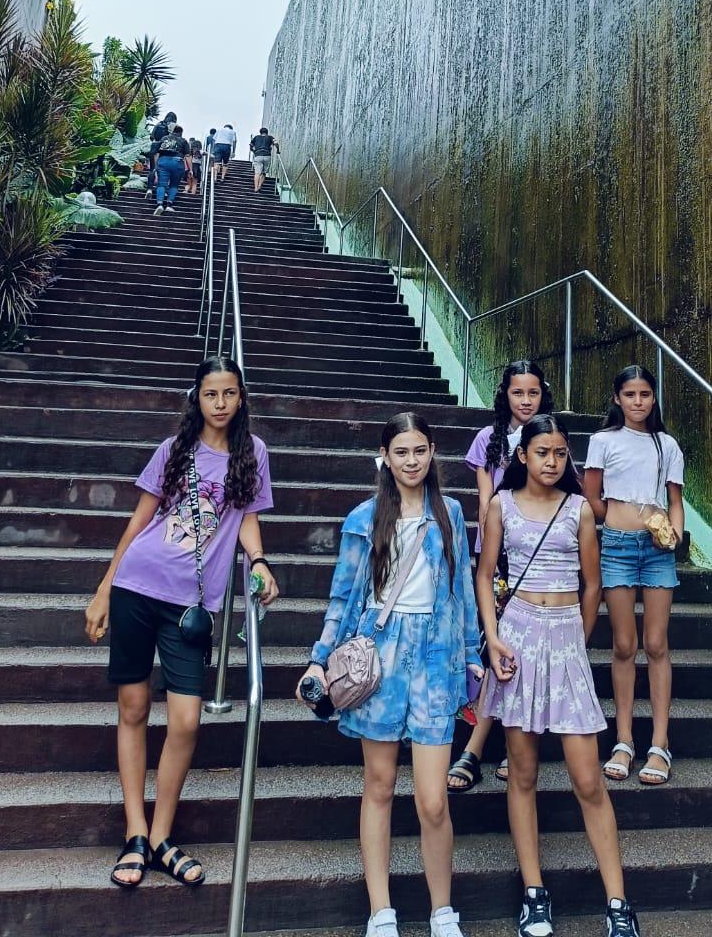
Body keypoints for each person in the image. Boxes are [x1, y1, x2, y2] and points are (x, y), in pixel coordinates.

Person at [84, 356, 278, 890]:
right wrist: (104, 588)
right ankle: (136, 833)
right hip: (136, 586)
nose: (221, 403)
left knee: (187, 719)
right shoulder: (174, 451)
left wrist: (258, 562)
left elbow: (248, 521)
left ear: (241, 399)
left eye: (230, 393)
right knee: (134, 707)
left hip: (191, 604)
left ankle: (164, 835)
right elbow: (140, 520)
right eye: (211, 393)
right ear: (197, 397)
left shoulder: (252, 454)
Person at [298, 411, 482, 937]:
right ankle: (381, 909)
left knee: (432, 798)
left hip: (435, 657)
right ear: (386, 456)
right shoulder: (363, 518)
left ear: (432, 452)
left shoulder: (449, 512)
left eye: (419, 450)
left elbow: (463, 592)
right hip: (378, 657)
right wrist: (319, 655)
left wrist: (472, 654)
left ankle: (442, 910)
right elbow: (343, 595)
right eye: (401, 452)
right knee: (378, 785)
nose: (411, 461)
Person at [478, 414, 641, 937]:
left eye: (560, 453)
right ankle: (533, 893)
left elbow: (592, 585)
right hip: (519, 639)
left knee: (588, 778)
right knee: (521, 773)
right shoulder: (500, 506)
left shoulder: (579, 511)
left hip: (565, 639)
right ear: (522, 455)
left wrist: (577, 635)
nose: (552, 461)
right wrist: (495, 635)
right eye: (542, 452)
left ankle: (618, 903)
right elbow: (485, 576)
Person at [449, 360, 551, 793]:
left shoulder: (549, 436)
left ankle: (501, 748)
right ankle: (477, 747)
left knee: (525, 651)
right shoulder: (487, 440)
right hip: (499, 556)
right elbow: (486, 499)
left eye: (532, 393)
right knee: (500, 646)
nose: (526, 401)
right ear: (504, 394)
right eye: (517, 393)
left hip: (539, 560)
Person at [583, 365, 684, 786]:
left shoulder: (667, 444)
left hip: (658, 550)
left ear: (654, 397)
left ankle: (660, 743)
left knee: (656, 643)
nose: (638, 401)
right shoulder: (603, 441)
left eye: (645, 394)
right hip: (618, 547)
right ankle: (623, 739)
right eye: (630, 394)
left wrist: (674, 533)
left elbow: (676, 499)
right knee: (623, 644)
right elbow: (592, 494)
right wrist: (619, 521)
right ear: (617, 398)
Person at [153, 124, 190, 216]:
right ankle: (169, 204)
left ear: (172, 131)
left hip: (163, 161)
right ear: (181, 133)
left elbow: (156, 153)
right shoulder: (184, 141)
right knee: (174, 185)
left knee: (161, 184)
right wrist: (190, 169)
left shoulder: (164, 138)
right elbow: (188, 156)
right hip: (177, 162)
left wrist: (155, 166)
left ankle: (160, 204)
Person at [144, 110, 177, 205]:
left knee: (153, 169)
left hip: (155, 149)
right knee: (165, 172)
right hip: (165, 152)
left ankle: (149, 189)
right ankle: (165, 191)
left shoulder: (158, 124)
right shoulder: (173, 126)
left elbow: (151, 136)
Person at [249, 126, 277, 193]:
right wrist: (278, 150)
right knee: (263, 173)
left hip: (258, 155)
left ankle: (255, 188)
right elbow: (276, 143)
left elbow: (250, 145)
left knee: (257, 173)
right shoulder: (270, 137)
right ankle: (259, 186)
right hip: (267, 156)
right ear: (267, 133)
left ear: (260, 132)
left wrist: (253, 151)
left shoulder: (256, 137)